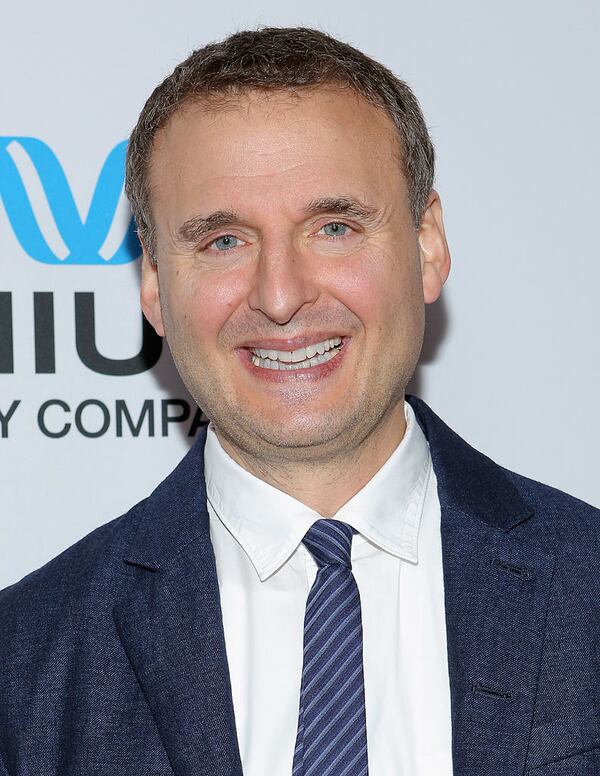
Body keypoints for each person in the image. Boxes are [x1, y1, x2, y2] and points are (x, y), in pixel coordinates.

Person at [0, 26, 598, 776]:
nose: (280, 297)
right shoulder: (25, 662)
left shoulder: (588, 584)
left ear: (427, 246)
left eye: (335, 227)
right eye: (223, 241)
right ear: (154, 283)